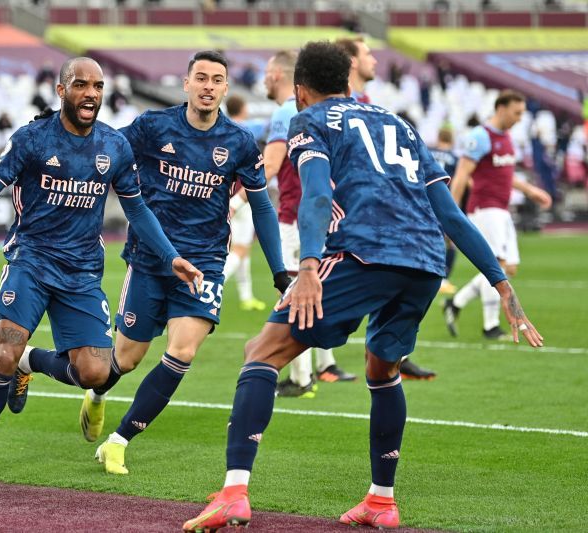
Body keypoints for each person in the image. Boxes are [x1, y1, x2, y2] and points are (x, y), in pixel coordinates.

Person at [182, 41, 544, 532]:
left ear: (300, 90)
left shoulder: (309, 121)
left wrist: (308, 266)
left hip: (362, 253)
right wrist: (500, 282)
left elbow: (317, 194)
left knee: (261, 351)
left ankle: (233, 494)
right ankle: (381, 500)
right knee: (381, 367)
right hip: (423, 262)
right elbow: (448, 214)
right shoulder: (399, 123)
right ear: (349, 82)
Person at [10, 50, 288, 477]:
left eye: (217, 79)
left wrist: (279, 270)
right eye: (201, 78)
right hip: (150, 259)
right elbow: (100, 146)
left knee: (182, 351)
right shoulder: (152, 127)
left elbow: (263, 208)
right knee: (119, 362)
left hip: (204, 264)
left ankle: (118, 442)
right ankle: (36, 364)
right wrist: (52, 129)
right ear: (186, 83)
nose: (209, 86)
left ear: (226, 88)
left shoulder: (239, 142)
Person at [0, 57, 202, 491]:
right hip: (32, 261)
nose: (91, 94)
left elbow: (136, 208)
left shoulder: (114, 145)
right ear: (62, 91)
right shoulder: (32, 138)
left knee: (97, 374)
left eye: (98, 86)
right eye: (81, 85)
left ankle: (32, 362)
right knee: (3, 350)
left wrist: (171, 255)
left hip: (82, 271)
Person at [336, 37, 435, 381]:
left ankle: (390, 358)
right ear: (349, 61)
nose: (376, 61)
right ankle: (306, 372)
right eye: (367, 54)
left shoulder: (370, 105)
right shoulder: (335, 108)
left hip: (381, 226)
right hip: (346, 224)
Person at [261, 50, 355, 398]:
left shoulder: (289, 112)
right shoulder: (339, 112)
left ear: (285, 76)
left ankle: (301, 378)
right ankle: (324, 364)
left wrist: (235, 198)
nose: (265, 77)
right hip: (329, 219)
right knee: (317, 289)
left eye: (269, 71)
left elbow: (270, 165)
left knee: (291, 293)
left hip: (294, 216)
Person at [444, 90, 552, 340]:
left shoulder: (506, 138)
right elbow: (461, 176)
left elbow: (504, 174)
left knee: (509, 267)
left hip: (501, 210)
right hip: (484, 209)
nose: (519, 118)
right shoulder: (480, 136)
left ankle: (456, 303)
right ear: (501, 108)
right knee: (497, 265)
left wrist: (530, 190)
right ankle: (490, 325)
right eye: (516, 112)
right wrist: (451, 215)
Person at [222, 93, 267, 312]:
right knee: (239, 249)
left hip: (226, 194)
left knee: (243, 249)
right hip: (242, 197)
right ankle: (213, 286)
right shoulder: (247, 130)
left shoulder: (222, 128)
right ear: (243, 107)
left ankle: (246, 296)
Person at [428, 128, 459, 295]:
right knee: (450, 242)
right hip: (444, 201)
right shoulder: (454, 158)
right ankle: (443, 279)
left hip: (424, 200)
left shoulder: (428, 151)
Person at [335, 36, 376, 104]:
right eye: (368, 54)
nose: (374, 61)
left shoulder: (364, 99)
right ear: (352, 62)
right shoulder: (342, 103)